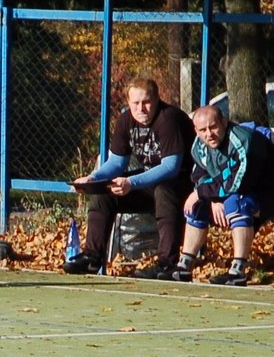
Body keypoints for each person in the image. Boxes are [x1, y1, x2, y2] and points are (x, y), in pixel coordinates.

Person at [64, 76, 193, 277]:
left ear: (157, 99)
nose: (141, 109)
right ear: (128, 102)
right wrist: (93, 178)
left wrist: (131, 182)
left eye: (146, 102)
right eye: (135, 103)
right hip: (150, 181)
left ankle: (166, 264)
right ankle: (92, 258)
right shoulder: (126, 120)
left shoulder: (169, 119)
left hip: (185, 184)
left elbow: (171, 167)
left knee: (164, 191)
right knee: (104, 193)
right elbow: (117, 162)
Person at [165, 105, 274, 286]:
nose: (209, 134)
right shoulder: (199, 146)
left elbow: (238, 184)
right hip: (238, 191)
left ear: (224, 122)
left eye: (213, 127)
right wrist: (210, 199)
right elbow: (199, 177)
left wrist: (206, 194)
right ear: (196, 130)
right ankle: (184, 266)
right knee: (196, 205)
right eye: (202, 130)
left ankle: (237, 271)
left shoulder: (243, 141)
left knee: (237, 203)